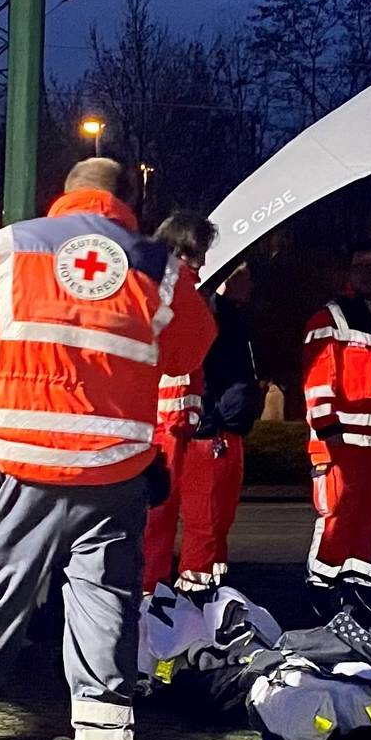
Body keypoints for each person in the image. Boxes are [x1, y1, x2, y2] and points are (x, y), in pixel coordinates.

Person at [0, 158, 216, 740]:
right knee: (106, 598)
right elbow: (189, 349)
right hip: (117, 471)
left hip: (26, 462)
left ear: (67, 195)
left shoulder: (9, 248)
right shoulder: (159, 266)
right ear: (126, 200)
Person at [144, 217, 262, 593]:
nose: (197, 265)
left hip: (186, 426)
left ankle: (178, 603)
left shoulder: (196, 300)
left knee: (199, 525)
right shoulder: (157, 294)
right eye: (190, 255)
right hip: (163, 428)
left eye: (201, 256)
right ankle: (154, 600)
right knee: (157, 523)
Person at [303, 237, 371, 616]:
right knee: (336, 519)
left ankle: (354, 594)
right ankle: (320, 591)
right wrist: (329, 433)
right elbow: (318, 383)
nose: (368, 274)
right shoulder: (331, 319)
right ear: (348, 273)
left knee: (366, 523)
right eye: (359, 267)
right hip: (342, 444)